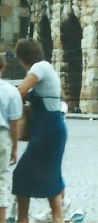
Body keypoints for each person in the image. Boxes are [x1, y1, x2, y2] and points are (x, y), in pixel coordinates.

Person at [12, 38, 68, 223]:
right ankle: (57, 217)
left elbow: (19, 91)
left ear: (23, 57)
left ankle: (22, 219)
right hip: (52, 129)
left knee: (21, 174)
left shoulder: (39, 67)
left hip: (47, 131)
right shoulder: (47, 67)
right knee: (51, 173)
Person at [0, 54, 22, 223]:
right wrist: (14, 147)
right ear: (3, 68)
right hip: (2, 137)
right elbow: (15, 123)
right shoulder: (10, 91)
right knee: (0, 181)